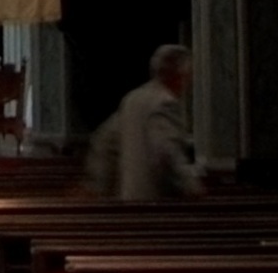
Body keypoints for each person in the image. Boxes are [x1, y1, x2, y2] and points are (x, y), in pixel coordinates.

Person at [81, 43, 198, 199]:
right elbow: (166, 153)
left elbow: (105, 140)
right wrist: (190, 186)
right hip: (156, 199)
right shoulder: (165, 102)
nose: (187, 84)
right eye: (187, 77)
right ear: (178, 76)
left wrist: (98, 184)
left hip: (129, 196)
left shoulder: (132, 99)